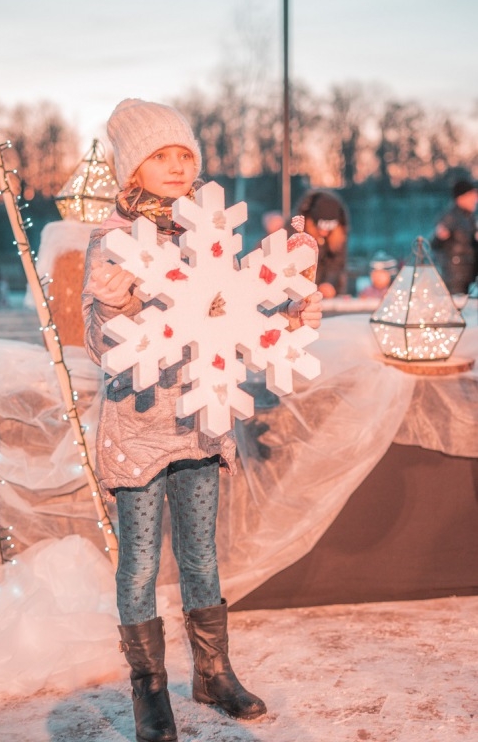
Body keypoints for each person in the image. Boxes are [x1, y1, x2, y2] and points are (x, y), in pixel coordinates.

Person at [81, 98, 322, 742]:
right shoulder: (111, 241)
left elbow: (241, 308)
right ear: (133, 166)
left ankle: (213, 674)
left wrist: (290, 312)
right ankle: (149, 690)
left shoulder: (206, 234)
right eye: (160, 155)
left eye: (185, 154)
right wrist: (114, 308)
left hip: (202, 420)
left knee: (201, 556)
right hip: (139, 428)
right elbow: (103, 345)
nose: (176, 166)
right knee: (137, 563)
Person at [294, 189, 349, 298]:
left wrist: (329, 283)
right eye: (320, 227)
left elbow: (337, 263)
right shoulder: (298, 234)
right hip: (298, 292)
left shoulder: (338, 236)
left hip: (326, 295)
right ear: (312, 222)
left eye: (329, 229)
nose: (324, 232)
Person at [430, 178, 478, 294]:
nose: (475, 199)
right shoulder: (450, 217)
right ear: (461, 197)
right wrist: (440, 237)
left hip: (468, 274)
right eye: (472, 195)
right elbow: (434, 243)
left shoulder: (469, 217)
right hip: (455, 278)